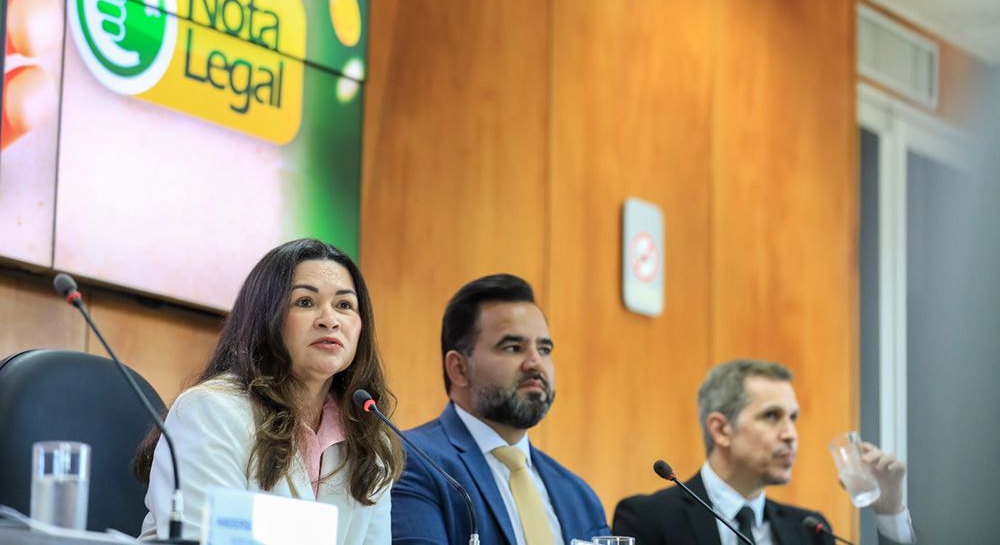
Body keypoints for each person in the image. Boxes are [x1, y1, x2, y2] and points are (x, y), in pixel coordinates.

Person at [135, 238, 404, 543]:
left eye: (344, 305)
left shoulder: (368, 436)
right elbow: (204, 538)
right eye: (305, 302)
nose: (330, 320)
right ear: (266, 317)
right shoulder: (209, 411)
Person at [390, 274, 610, 544]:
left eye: (544, 349)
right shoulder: (412, 461)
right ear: (459, 369)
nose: (535, 363)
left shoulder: (580, 497)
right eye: (513, 347)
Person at [613, 359, 915, 544]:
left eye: (793, 418)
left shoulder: (811, 531)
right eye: (771, 416)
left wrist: (890, 513)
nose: (791, 434)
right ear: (721, 429)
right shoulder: (648, 519)